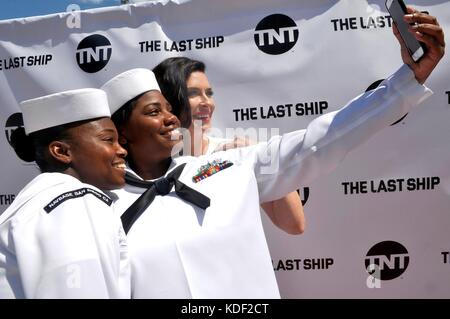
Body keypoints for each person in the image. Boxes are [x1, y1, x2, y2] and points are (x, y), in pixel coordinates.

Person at [102, 9, 444, 298]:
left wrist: (407, 79)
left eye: (169, 109)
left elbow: (323, 141)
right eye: (154, 111)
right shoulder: (98, 204)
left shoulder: (232, 163)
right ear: (123, 134)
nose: (172, 118)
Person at [0, 88, 130, 298]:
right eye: (108, 140)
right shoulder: (72, 201)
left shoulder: (46, 199)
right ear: (61, 152)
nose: (122, 150)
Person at [153, 56, 305, 235]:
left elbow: (294, 224)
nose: (207, 102)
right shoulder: (146, 164)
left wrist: (264, 157)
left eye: (209, 93)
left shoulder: (236, 154)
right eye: (193, 93)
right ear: (167, 103)